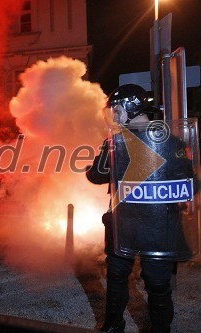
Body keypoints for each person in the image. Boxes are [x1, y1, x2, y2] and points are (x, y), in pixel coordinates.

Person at [86, 84, 196, 333]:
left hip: (151, 225)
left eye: (115, 109)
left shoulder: (164, 140)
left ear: (129, 106)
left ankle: (127, 327)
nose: (113, 115)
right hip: (137, 225)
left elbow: (189, 182)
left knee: (145, 282)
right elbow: (99, 176)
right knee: (133, 280)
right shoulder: (163, 139)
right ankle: (116, 324)